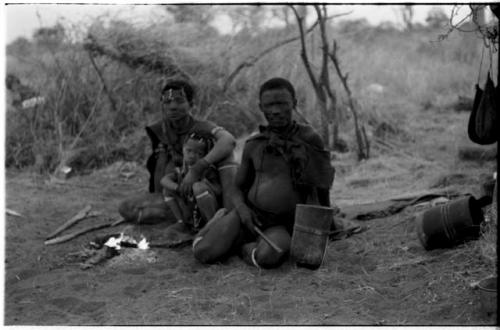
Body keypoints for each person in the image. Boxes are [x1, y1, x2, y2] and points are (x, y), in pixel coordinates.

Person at [192, 77, 335, 268]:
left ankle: (244, 249)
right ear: (261, 107)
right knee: (204, 253)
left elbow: (323, 186)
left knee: (269, 256)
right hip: (248, 215)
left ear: (294, 103)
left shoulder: (309, 138)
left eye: (282, 104)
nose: (275, 111)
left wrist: (327, 226)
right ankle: (220, 223)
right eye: (269, 105)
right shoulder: (254, 144)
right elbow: (237, 187)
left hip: (281, 223)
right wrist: (243, 211)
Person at [118, 78, 237, 225]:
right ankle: (186, 219)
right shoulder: (161, 131)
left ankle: (225, 218)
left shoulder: (202, 127)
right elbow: (160, 175)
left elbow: (229, 140)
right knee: (126, 208)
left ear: (191, 104)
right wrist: (171, 189)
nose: (173, 107)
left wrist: (197, 169)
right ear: (162, 105)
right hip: (177, 195)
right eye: (167, 102)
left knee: (226, 157)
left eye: (179, 101)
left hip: (205, 193)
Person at [161, 132, 221, 232]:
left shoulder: (208, 170)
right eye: (189, 150)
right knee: (167, 189)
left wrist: (204, 183)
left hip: (205, 211)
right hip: (191, 212)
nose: (192, 155)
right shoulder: (181, 170)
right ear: (183, 150)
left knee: (198, 187)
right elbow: (164, 180)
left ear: (205, 156)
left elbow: (219, 191)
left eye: (199, 153)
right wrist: (178, 188)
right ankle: (181, 222)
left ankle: (212, 226)